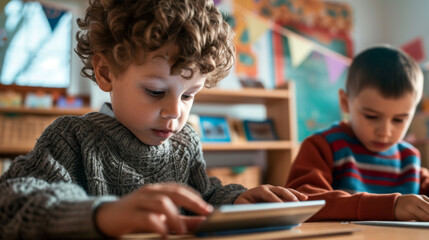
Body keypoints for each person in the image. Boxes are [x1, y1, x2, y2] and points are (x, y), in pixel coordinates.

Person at [0, 0, 307, 239]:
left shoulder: (185, 141)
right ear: (106, 71)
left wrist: (238, 199)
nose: (176, 111)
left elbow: (202, 195)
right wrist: (103, 214)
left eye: (188, 95)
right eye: (155, 91)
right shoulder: (72, 137)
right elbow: (12, 203)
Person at [286, 45, 429, 221]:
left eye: (399, 120)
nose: (385, 132)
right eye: (371, 116)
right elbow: (301, 203)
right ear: (345, 102)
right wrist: (390, 206)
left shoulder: (410, 158)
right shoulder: (323, 146)